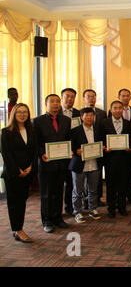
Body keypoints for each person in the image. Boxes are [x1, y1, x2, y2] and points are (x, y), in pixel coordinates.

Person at [33, 94, 72, 233]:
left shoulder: (66, 120)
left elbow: (69, 139)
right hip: (46, 163)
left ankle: (58, 218)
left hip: (61, 163)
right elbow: (35, 143)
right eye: (52, 102)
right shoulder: (37, 121)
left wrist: (70, 151)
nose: (55, 104)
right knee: (46, 193)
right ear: (46, 104)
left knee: (58, 191)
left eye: (57, 101)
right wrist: (41, 154)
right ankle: (47, 220)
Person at [1, 103, 37, 243]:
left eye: (25, 112)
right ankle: (17, 229)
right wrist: (18, 170)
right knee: (14, 203)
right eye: (19, 112)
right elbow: (6, 154)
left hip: (27, 173)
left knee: (22, 202)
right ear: (14, 114)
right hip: (13, 174)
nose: (22, 114)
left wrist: (31, 167)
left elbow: (34, 152)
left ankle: (18, 228)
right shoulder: (6, 132)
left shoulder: (31, 130)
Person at [69, 107, 105, 223]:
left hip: (94, 163)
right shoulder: (75, 130)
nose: (89, 118)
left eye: (91, 115)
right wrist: (75, 151)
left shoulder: (98, 129)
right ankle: (77, 211)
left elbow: (102, 143)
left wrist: (102, 147)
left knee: (93, 189)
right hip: (80, 164)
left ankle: (92, 209)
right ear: (81, 117)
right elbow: (70, 146)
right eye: (87, 115)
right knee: (78, 190)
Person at [102, 101, 131, 218]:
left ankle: (122, 207)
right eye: (115, 108)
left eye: (120, 108)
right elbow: (101, 139)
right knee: (110, 185)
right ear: (111, 109)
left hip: (124, 159)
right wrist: (104, 148)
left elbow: (130, 139)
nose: (118, 110)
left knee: (123, 185)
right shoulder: (104, 123)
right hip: (110, 159)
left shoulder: (128, 123)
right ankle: (111, 208)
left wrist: (129, 148)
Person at [83, 89, 107, 206]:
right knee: (83, 178)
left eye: (93, 96)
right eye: (88, 96)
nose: (91, 99)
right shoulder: (79, 113)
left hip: (98, 149)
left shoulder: (102, 113)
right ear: (84, 99)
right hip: (83, 150)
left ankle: (97, 199)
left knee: (96, 174)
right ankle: (85, 200)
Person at [59, 87, 80, 216]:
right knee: (58, 183)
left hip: (74, 153)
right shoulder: (56, 113)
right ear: (62, 98)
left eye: (72, 96)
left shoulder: (78, 113)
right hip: (59, 152)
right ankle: (56, 210)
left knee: (71, 181)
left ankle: (69, 206)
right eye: (67, 96)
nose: (70, 99)